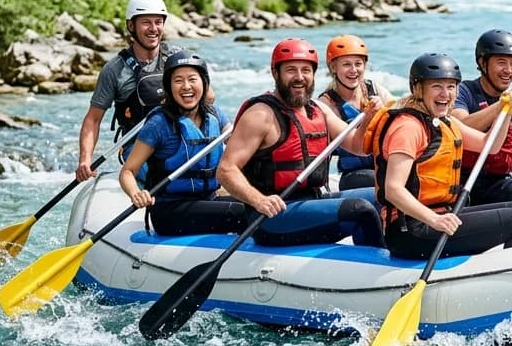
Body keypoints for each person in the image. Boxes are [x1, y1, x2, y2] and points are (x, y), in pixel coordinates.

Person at [365, 53, 512, 260]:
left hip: (440, 215)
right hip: (409, 229)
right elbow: (393, 189)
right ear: (418, 89)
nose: (445, 94)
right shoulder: (408, 127)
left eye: (451, 87)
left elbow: (489, 146)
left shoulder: (445, 121)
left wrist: (506, 111)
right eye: (437, 86)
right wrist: (434, 220)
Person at [216, 38, 384, 248]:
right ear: (275, 73)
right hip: (273, 217)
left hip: (312, 200)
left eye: (306, 70)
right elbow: (226, 170)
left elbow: (357, 147)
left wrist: (368, 118)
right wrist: (259, 200)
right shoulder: (260, 115)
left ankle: (397, 254)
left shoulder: (318, 109)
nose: (299, 77)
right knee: (359, 210)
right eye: (291, 70)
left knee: (384, 195)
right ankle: (376, 264)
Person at [118, 52, 252, 236]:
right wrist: (136, 193)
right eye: (178, 81)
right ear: (169, 87)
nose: (186, 86)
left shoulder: (215, 115)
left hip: (208, 200)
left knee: (257, 206)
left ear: (204, 83)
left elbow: (242, 150)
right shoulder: (158, 124)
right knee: (241, 213)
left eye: (192, 79)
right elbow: (127, 171)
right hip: (170, 210)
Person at [76, 0, 182, 181]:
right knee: (159, 177)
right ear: (131, 26)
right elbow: (93, 119)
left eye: (158, 22)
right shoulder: (114, 70)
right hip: (137, 145)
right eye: (146, 22)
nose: (153, 28)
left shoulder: (177, 59)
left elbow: (208, 98)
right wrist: (85, 159)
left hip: (178, 139)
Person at [451, 29, 512, 205]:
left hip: (498, 184)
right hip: (461, 183)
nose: (508, 70)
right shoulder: (463, 92)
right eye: (501, 62)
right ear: (483, 63)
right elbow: (458, 125)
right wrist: (501, 106)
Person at [317, 34, 394, 191]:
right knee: (381, 179)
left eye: (358, 64)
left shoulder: (375, 90)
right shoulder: (326, 104)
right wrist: (367, 118)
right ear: (333, 67)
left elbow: (400, 119)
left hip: (383, 166)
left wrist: (386, 112)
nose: (353, 70)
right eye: (346, 64)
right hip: (354, 175)